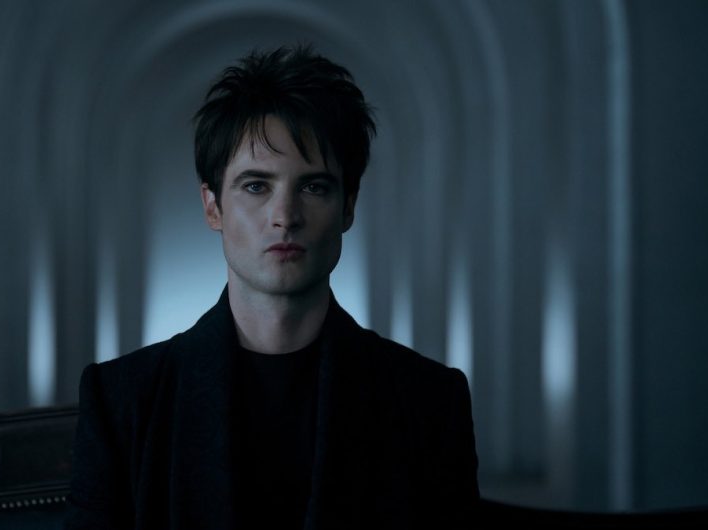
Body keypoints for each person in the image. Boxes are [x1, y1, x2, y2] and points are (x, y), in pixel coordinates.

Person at [64, 44, 479, 530]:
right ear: (213, 206)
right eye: (256, 186)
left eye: (313, 187)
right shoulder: (122, 400)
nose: (285, 217)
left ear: (348, 207)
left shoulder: (429, 400)